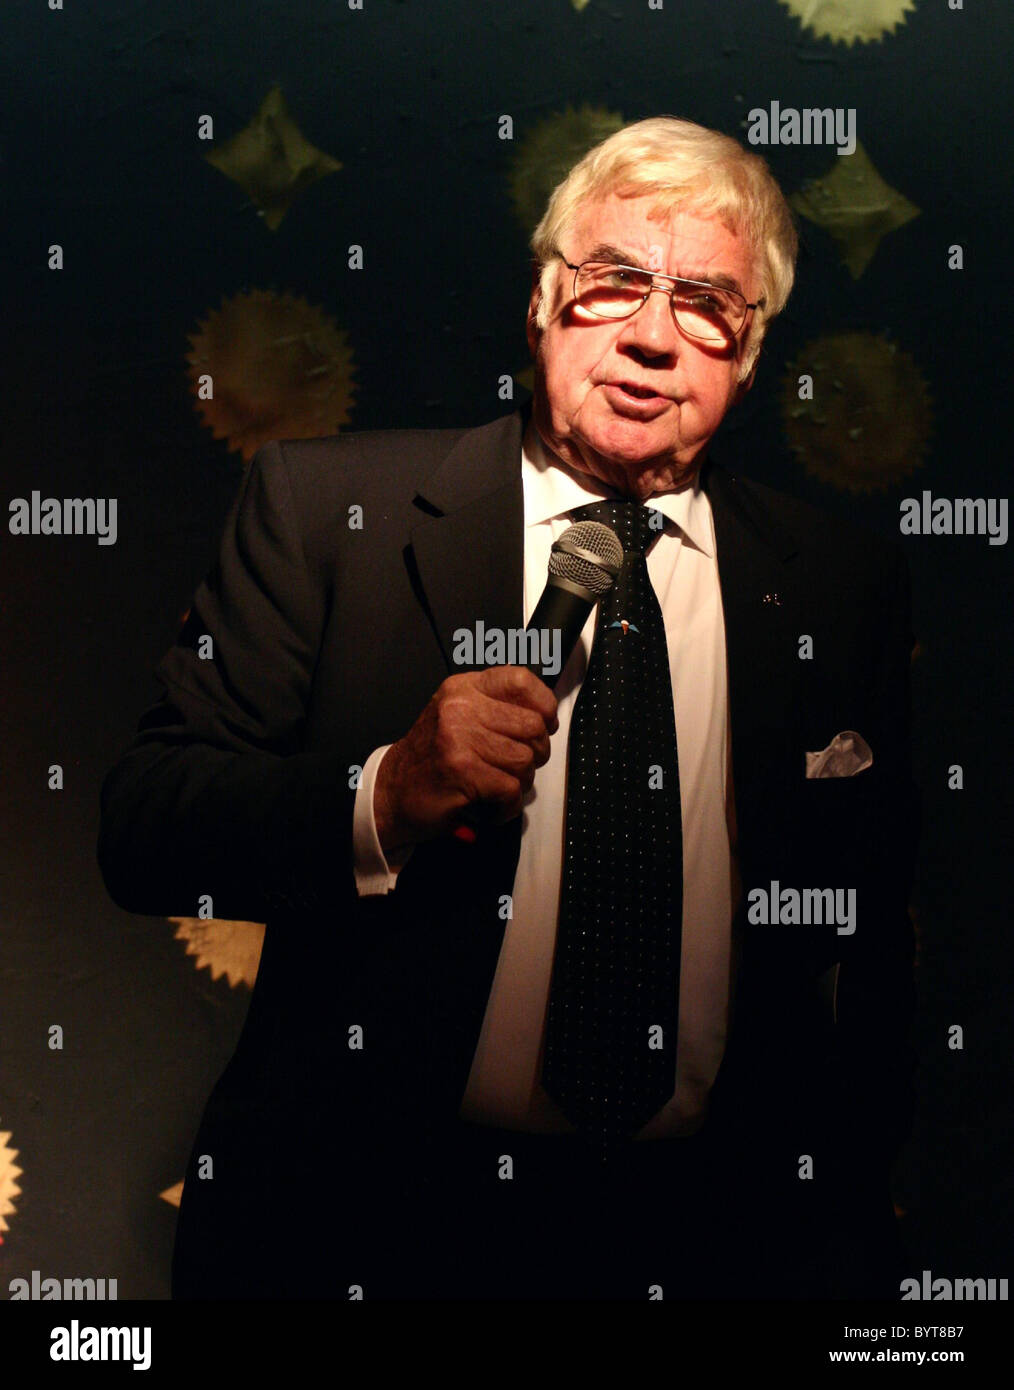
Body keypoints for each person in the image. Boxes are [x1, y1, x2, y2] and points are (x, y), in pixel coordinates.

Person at [98, 116, 919, 1301]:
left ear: (746, 354)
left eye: (705, 302)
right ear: (541, 301)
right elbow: (144, 825)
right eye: (613, 283)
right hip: (372, 1227)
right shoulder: (328, 513)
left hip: (719, 1246)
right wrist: (386, 789)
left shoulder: (841, 583)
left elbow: (881, 931)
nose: (649, 336)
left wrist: (850, 1197)